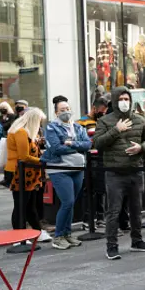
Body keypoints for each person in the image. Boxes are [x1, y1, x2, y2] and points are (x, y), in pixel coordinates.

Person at [93, 86, 145, 260]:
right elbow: (97, 143)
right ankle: (111, 245)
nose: (124, 102)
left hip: (136, 170)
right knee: (113, 211)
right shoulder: (105, 121)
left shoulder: (140, 120)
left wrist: (141, 148)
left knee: (136, 209)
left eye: (127, 99)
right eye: (121, 99)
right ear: (114, 101)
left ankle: (137, 241)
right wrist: (116, 130)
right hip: (115, 173)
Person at [42, 96, 92, 250]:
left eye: (67, 109)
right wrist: (78, 146)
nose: (66, 112)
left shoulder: (78, 127)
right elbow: (55, 148)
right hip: (60, 169)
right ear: (56, 113)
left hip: (77, 168)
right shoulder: (51, 128)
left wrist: (71, 144)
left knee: (70, 203)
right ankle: (58, 236)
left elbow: (88, 144)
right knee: (67, 202)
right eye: (62, 110)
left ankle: (67, 234)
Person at [7, 108, 52, 242]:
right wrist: (42, 160)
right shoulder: (21, 132)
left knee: (29, 205)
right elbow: (24, 156)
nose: (40, 124)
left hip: (28, 173)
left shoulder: (25, 132)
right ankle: (19, 236)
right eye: (39, 121)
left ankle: (36, 232)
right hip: (18, 173)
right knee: (21, 205)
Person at [77, 97, 109, 228]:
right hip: (89, 159)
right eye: (101, 111)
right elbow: (79, 142)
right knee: (89, 190)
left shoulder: (103, 122)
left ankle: (101, 217)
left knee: (102, 189)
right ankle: (87, 219)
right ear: (94, 108)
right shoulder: (81, 122)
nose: (103, 114)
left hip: (102, 158)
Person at [0, 101, 16, 187]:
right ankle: (6, 178)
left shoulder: (12, 116)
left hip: (8, 138)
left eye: (4, 108)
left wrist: (1, 126)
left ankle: (9, 179)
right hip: (2, 139)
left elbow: (10, 125)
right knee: (3, 158)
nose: (2, 110)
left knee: (8, 158)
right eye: (1, 108)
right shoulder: (1, 117)